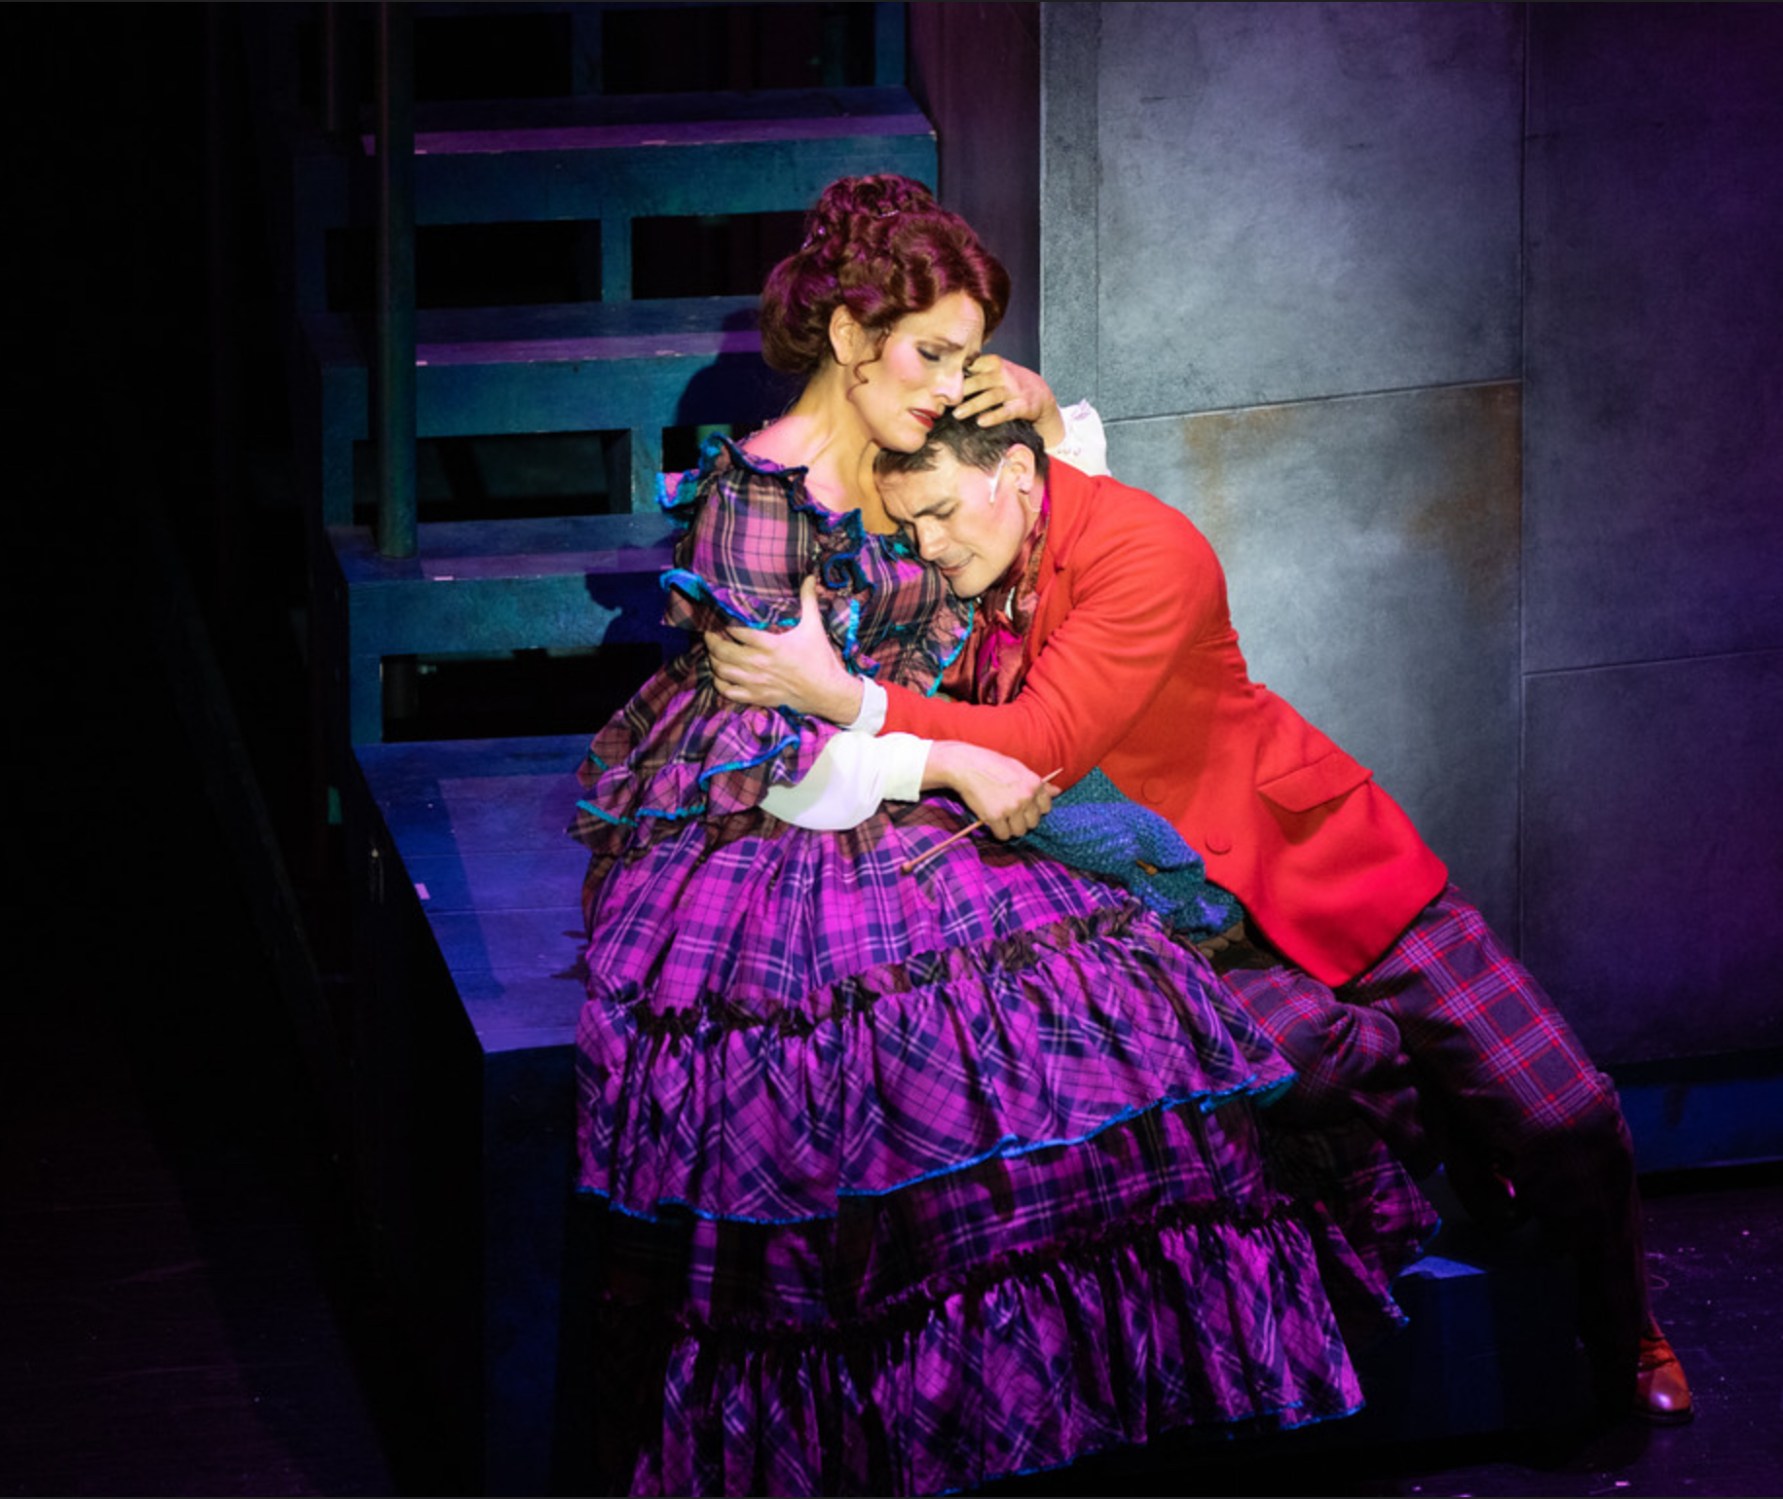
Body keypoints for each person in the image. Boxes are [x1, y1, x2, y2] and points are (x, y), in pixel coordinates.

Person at [567, 174, 1438, 1496]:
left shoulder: (932, 445)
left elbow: (1045, 527)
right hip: (790, 819)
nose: (947, 383)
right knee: (893, 1099)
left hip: (948, 779)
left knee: (1126, 1050)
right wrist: (947, 758)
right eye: (928, 352)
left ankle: (1095, 1410)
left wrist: (1028, 407)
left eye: (965, 355)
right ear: (849, 338)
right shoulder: (760, 498)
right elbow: (779, 762)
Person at [704, 404, 1695, 1428]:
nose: (930, 543)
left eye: (944, 513)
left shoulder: (1140, 543)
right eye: (911, 524)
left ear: (1015, 475)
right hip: (1187, 921)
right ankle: (1453, 1123)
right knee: (1303, 1064)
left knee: (1563, 1110)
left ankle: (1627, 1331)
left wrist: (844, 696)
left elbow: (1040, 739)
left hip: (1311, 860)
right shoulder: (950, 584)